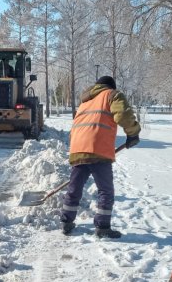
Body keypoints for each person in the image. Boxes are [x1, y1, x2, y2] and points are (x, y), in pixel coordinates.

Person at [60, 75, 141, 238]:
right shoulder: (111, 94)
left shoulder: (85, 102)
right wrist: (133, 133)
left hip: (78, 148)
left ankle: (66, 222)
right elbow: (123, 115)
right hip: (98, 149)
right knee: (105, 190)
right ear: (110, 86)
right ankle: (102, 227)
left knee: (74, 188)